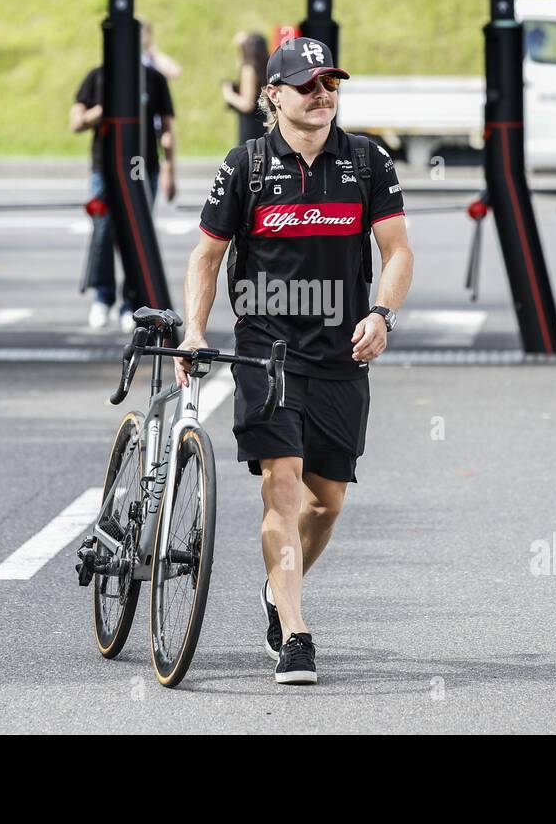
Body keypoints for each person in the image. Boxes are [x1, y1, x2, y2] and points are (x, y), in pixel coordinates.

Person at [173, 37, 414, 684]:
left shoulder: (367, 161)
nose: (322, 94)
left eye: (330, 83)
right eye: (307, 85)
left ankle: (279, 589)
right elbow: (207, 256)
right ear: (272, 95)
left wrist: (381, 314)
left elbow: (397, 252)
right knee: (281, 483)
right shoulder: (246, 165)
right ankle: (296, 633)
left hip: (341, 353)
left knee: (326, 502)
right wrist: (196, 330)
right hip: (266, 352)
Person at [69, 28, 177, 333]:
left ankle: (131, 303)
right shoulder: (98, 77)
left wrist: (171, 170)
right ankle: (102, 297)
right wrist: (106, 108)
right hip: (105, 169)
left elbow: (167, 129)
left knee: (137, 235)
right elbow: (75, 121)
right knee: (104, 232)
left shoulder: (153, 79)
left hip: (145, 169)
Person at [221, 31, 269, 147]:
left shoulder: (249, 69)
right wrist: (241, 45)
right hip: (260, 122)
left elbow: (247, 104)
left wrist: (228, 94)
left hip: (249, 125)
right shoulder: (264, 66)